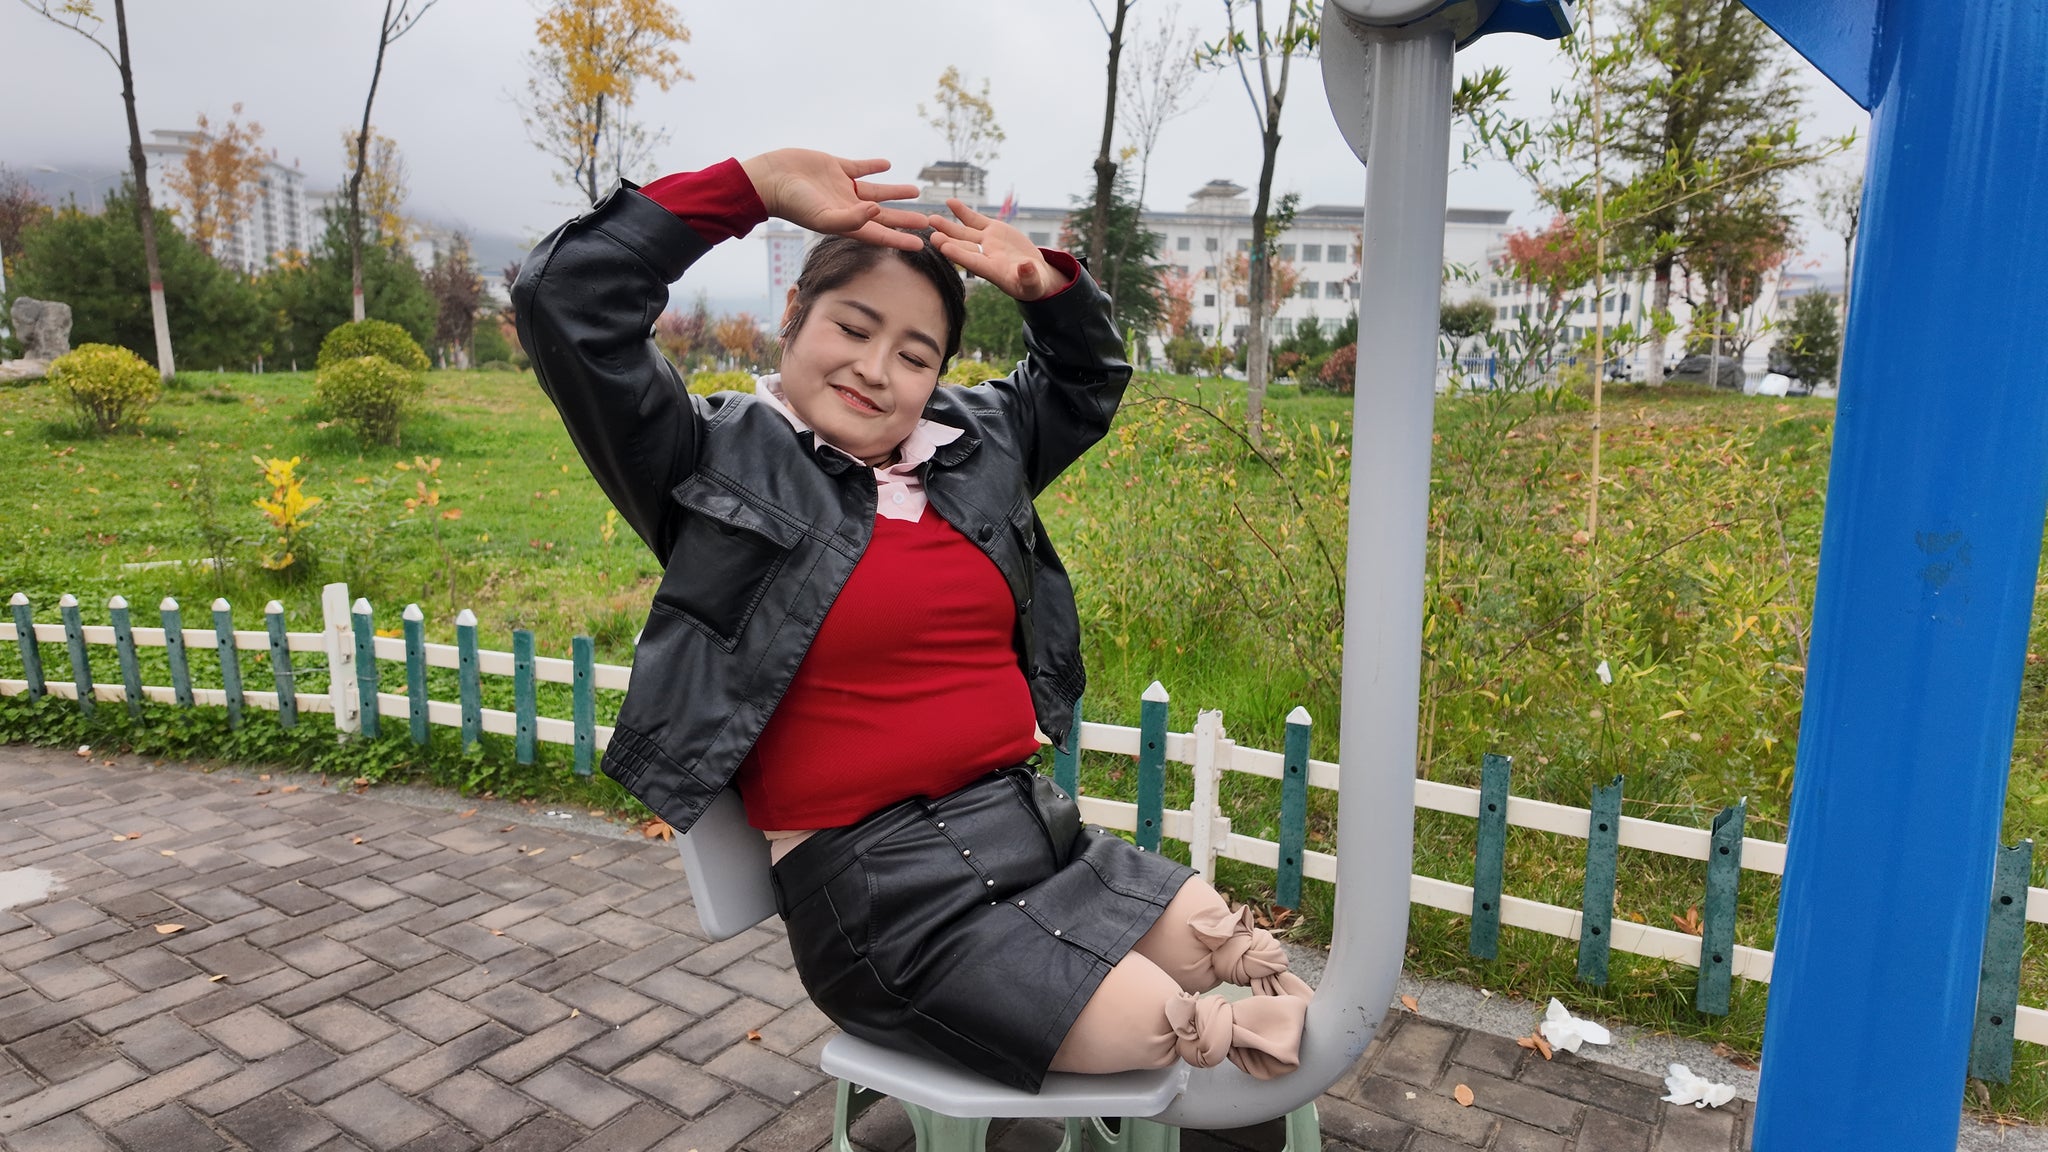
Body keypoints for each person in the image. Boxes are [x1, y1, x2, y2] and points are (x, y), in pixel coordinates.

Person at [514, 149, 1312, 1094]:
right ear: (793, 317)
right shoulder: (706, 461)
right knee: (1151, 1026)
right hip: (880, 893)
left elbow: (1088, 376)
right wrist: (752, 190)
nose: (876, 371)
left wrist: (1043, 288)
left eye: (915, 353)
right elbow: (565, 298)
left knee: (1222, 941)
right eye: (853, 327)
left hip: (1032, 834)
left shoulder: (978, 446)